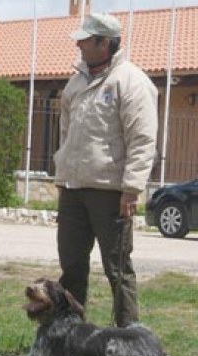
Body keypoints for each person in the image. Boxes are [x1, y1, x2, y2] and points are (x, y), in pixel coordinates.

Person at [54, 13, 158, 327]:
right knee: (71, 264)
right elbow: (66, 133)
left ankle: (130, 336)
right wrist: (62, 173)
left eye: (86, 39)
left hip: (111, 192)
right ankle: (69, 333)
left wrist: (132, 188)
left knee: (117, 268)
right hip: (73, 189)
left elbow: (142, 138)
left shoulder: (132, 81)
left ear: (105, 43)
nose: (80, 44)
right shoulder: (76, 81)